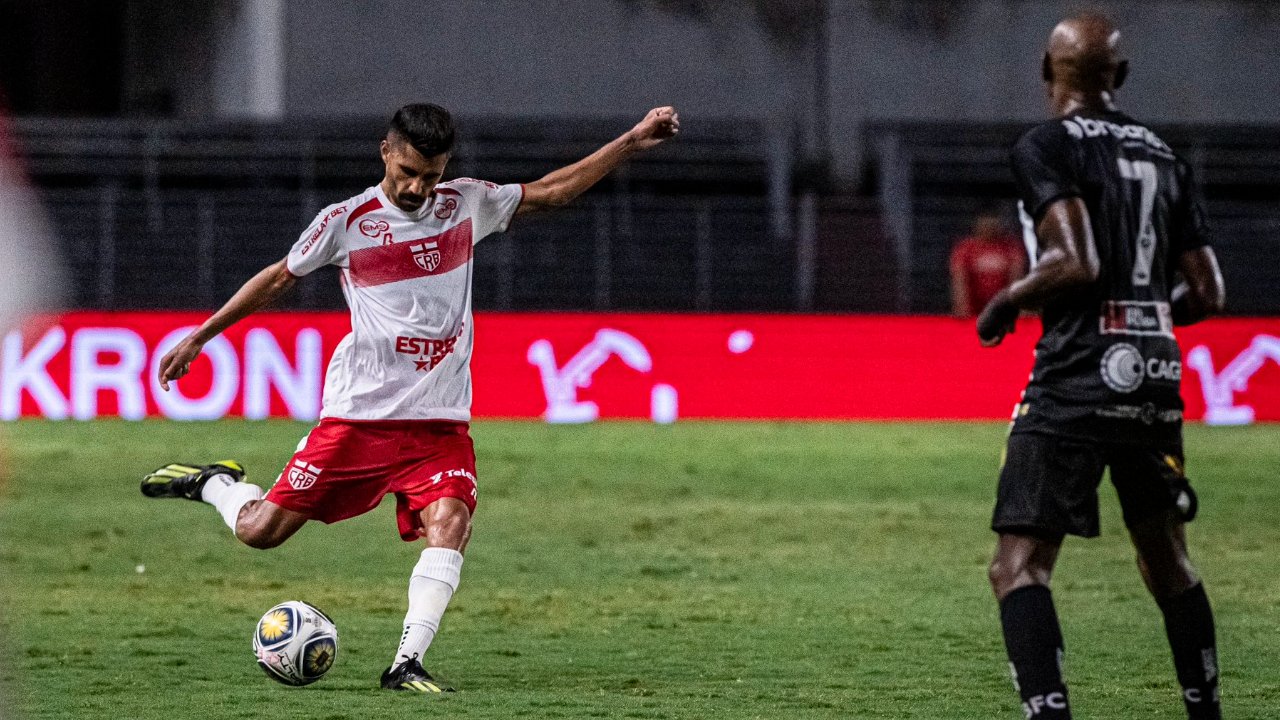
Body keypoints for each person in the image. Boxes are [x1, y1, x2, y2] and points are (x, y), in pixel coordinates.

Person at [140, 103, 680, 692]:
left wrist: (631, 139)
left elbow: (552, 190)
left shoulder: (465, 204)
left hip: (439, 424)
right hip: (360, 419)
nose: (419, 187)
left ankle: (406, 663)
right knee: (258, 531)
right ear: (386, 153)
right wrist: (201, 335)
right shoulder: (346, 222)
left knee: (451, 520)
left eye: (432, 174)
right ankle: (216, 482)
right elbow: (277, 278)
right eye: (409, 172)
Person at [976, 15, 1225, 720]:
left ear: (1047, 72)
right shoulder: (1165, 155)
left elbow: (1073, 260)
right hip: (1153, 373)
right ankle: (1205, 710)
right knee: (1167, 558)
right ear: (1119, 76)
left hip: (1078, 369)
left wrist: (1005, 304)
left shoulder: (1045, 145)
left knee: (1019, 566)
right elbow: (1209, 293)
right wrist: (1142, 315)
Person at [949, 207, 1025, 318]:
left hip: (1002, 306)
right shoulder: (965, 248)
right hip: (973, 308)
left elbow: (1016, 278)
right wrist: (962, 307)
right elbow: (959, 281)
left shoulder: (1011, 248)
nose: (989, 228)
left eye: (993, 225)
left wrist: (1017, 307)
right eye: (986, 225)